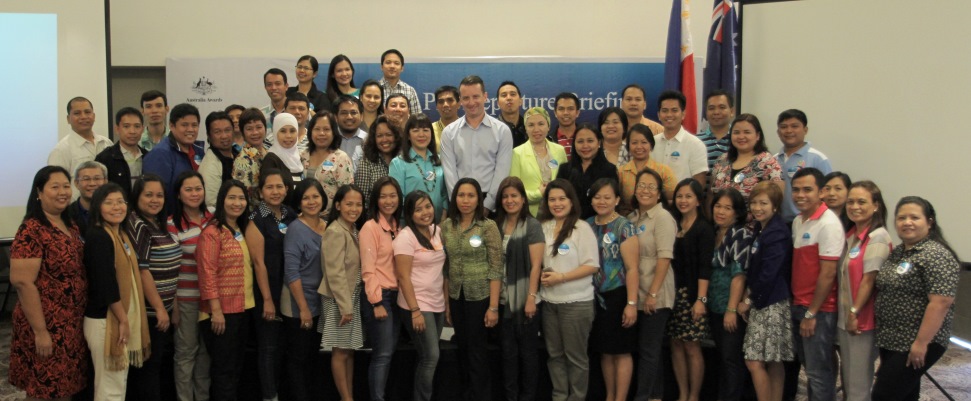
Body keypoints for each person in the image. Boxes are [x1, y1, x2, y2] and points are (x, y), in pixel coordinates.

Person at [9, 166, 89, 400]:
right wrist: (41, 332)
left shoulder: (69, 224)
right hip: (45, 325)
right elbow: (23, 283)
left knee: (64, 388)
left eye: (66, 186)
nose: (63, 192)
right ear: (39, 192)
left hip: (69, 324)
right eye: (54, 187)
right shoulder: (32, 229)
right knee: (44, 389)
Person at [872, 196, 960, 401]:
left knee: (884, 395)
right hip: (892, 338)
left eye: (914, 217)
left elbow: (941, 302)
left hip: (917, 341)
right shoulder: (900, 252)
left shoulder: (936, 254)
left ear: (929, 222)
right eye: (901, 217)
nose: (907, 222)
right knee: (906, 394)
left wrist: (921, 344)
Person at [82, 183, 150, 400]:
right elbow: (105, 283)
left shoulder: (120, 234)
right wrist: (122, 320)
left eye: (120, 202)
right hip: (106, 319)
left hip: (116, 316)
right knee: (110, 388)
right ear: (97, 206)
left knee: (117, 384)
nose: (116, 207)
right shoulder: (99, 236)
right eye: (109, 202)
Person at [537, 179, 600, 401]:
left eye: (562, 198)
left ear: (572, 202)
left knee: (576, 357)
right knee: (554, 356)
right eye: (552, 199)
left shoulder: (581, 228)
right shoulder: (543, 227)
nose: (557, 203)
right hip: (549, 303)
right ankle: (559, 396)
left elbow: (592, 265)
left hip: (577, 303)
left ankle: (577, 397)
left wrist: (561, 277)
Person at [441, 178, 503, 401]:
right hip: (457, 295)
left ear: (479, 200)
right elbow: (446, 267)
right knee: (463, 350)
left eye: (470, 195)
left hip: (481, 298)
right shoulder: (447, 226)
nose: (465, 200)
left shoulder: (488, 226)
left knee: (477, 353)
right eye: (461, 195)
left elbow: (496, 268)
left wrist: (493, 307)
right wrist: (448, 303)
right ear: (454, 197)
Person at [789, 167, 844, 401]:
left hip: (818, 309)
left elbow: (828, 273)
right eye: (796, 190)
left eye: (807, 190)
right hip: (800, 305)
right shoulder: (798, 221)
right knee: (810, 369)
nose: (801, 195)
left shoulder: (828, 223)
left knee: (818, 372)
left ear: (821, 192)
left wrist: (812, 312)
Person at [125, 175, 181, 401]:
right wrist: (159, 308)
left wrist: (172, 305)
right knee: (147, 371)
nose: (154, 200)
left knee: (155, 367)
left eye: (159, 195)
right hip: (149, 314)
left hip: (163, 309)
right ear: (136, 197)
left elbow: (169, 270)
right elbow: (142, 270)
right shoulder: (138, 225)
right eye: (148, 194)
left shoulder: (159, 222)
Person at [197, 180, 253, 401]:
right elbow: (206, 272)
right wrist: (216, 310)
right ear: (222, 200)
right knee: (224, 372)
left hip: (243, 308)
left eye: (241, 198)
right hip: (220, 313)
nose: (237, 203)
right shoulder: (212, 232)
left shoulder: (241, 228)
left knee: (236, 369)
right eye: (231, 197)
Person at [244, 169, 297, 401]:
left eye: (279, 187)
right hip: (267, 292)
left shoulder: (291, 214)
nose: (275, 191)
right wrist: (267, 299)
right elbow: (258, 263)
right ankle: (269, 396)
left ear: (286, 189)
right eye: (270, 187)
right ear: (260, 192)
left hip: (290, 291)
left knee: (285, 348)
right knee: (268, 348)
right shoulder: (256, 219)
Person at [740, 182, 794, 401]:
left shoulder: (777, 232)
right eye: (754, 202)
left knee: (754, 360)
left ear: (775, 206)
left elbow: (769, 273)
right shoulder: (762, 228)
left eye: (763, 203)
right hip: (765, 300)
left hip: (771, 302)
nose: (757, 207)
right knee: (772, 359)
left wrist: (749, 299)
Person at [586, 178, 639, 401]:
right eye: (597, 197)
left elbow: (632, 268)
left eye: (607, 197)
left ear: (617, 200)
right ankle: (609, 396)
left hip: (618, 295)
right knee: (605, 351)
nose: (602, 201)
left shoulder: (624, 226)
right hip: (594, 298)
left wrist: (631, 304)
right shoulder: (587, 224)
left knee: (621, 351)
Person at [836, 181, 889, 401]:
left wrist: (854, 312)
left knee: (858, 385)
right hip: (845, 318)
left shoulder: (878, 237)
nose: (854, 206)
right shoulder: (851, 235)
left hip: (861, 321)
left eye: (862, 202)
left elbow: (870, 280)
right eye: (850, 202)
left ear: (876, 205)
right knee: (849, 381)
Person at [627, 169, 676, 401]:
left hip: (656, 293)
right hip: (637, 291)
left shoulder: (663, 218)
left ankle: (644, 397)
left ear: (659, 195)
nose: (645, 191)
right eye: (641, 186)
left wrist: (653, 294)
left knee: (649, 350)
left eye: (651, 187)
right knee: (646, 351)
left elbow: (665, 258)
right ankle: (654, 396)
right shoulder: (632, 218)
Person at [394, 191, 448, 401]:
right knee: (431, 356)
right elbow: (403, 277)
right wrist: (415, 311)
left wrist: (446, 305)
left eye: (427, 206)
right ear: (409, 214)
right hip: (416, 305)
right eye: (418, 209)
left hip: (437, 303)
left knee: (427, 357)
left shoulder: (437, 231)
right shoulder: (405, 237)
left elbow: (443, 271)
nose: (425, 212)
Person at [495, 177, 545, 401]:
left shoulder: (533, 226)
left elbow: (536, 266)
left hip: (527, 301)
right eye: (505, 196)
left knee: (528, 355)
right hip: (503, 301)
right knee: (507, 355)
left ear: (524, 199)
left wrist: (531, 297)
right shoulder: (497, 224)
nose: (509, 200)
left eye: (514, 195)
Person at [165, 171, 212, 401]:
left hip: (212, 301)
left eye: (198, 188)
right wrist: (173, 304)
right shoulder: (172, 224)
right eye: (189, 189)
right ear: (179, 194)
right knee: (185, 354)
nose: (195, 194)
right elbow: (170, 267)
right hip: (186, 300)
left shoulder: (214, 218)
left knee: (205, 355)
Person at [667, 179, 715, 401]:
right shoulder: (673, 223)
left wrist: (701, 300)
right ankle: (682, 393)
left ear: (698, 200)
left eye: (688, 196)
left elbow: (705, 267)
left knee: (692, 346)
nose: (683, 200)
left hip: (693, 294)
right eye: (679, 196)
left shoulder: (704, 228)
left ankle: (694, 396)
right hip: (672, 293)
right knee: (676, 344)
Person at [318, 184, 366, 401]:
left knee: (349, 350)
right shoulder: (335, 231)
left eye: (358, 204)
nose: (354, 208)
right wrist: (345, 306)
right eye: (349, 204)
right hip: (340, 300)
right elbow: (334, 272)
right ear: (337, 205)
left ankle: (349, 396)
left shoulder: (353, 228)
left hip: (352, 297)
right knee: (339, 351)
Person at [281, 179, 327, 400]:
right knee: (298, 358)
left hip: (319, 302)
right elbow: (292, 273)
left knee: (311, 356)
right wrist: (304, 309)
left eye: (315, 196)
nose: (311, 202)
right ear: (298, 202)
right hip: (298, 303)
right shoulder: (295, 229)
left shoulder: (326, 226)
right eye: (306, 198)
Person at [441, 75, 514, 214]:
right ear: (460, 100)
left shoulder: (502, 131)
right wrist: (460, 202)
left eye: (476, 96)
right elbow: (449, 173)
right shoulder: (449, 132)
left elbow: (502, 172)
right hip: (460, 205)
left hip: (492, 205)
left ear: (485, 96)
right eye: (466, 98)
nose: (471, 102)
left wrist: (486, 206)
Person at [706, 188, 753, 401]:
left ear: (737, 212)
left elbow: (739, 275)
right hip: (714, 306)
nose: (721, 212)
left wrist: (732, 309)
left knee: (731, 359)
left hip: (729, 308)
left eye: (728, 208)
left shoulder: (740, 234)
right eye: (718, 206)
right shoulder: (715, 232)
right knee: (720, 358)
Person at [359, 177, 402, 401]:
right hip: (380, 297)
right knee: (382, 355)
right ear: (375, 200)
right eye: (383, 196)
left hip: (397, 297)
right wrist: (376, 302)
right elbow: (368, 270)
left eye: (392, 195)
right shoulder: (370, 227)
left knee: (389, 353)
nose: (388, 201)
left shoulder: (398, 225)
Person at [144, 103, 205, 212]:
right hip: (170, 220)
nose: (190, 129)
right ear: (172, 126)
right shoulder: (160, 154)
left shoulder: (199, 151)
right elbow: (156, 196)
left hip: (193, 217)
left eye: (194, 125)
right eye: (184, 125)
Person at [48, 96, 113, 200]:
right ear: (68, 119)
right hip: (76, 211)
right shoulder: (61, 150)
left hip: (106, 208)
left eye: (87, 112)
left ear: (94, 116)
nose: (83, 117)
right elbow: (55, 186)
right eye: (77, 113)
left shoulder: (107, 143)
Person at [775, 109, 832, 223]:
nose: (789, 130)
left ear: (805, 130)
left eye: (794, 126)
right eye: (784, 127)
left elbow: (828, 194)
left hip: (809, 221)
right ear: (778, 132)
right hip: (779, 223)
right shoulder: (773, 160)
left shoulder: (817, 158)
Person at [510, 107, 568, 216]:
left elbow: (566, 185)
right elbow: (514, 191)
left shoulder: (559, 150)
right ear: (525, 128)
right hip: (529, 214)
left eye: (541, 124)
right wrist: (538, 194)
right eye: (531, 125)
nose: (536, 129)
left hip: (557, 211)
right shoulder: (517, 153)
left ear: (548, 126)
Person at [709, 114, 783, 200]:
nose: (741, 137)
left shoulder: (768, 163)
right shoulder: (721, 160)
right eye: (736, 132)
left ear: (758, 135)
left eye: (747, 132)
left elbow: (777, 199)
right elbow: (711, 195)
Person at [389, 114, 448, 220]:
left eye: (426, 130)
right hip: (410, 225)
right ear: (408, 135)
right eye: (415, 130)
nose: (421, 135)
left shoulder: (440, 160)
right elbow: (397, 198)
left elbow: (444, 193)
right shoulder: (398, 163)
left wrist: (443, 218)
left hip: (438, 224)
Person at [555, 123, 617, 219]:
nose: (585, 145)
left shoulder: (609, 170)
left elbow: (612, 203)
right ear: (574, 144)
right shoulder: (564, 169)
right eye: (580, 141)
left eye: (590, 141)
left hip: (599, 224)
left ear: (599, 143)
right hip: (569, 223)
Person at [651, 90, 709, 185]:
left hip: (682, 199)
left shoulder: (696, 145)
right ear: (659, 115)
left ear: (683, 114)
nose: (669, 115)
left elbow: (699, 184)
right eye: (665, 111)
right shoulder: (652, 143)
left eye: (674, 110)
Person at [304, 111, 354, 216]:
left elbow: (347, 195)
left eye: (326, 129)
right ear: (311, 132)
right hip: (305, 217)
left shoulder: (341, 158)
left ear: (333, 132)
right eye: (317, 129)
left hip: (331, 219)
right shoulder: (303, 155)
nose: (321, 133)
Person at [617, 124, 677, 204]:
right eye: (634, 143)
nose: (639, 146)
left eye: (644, 142)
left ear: (651, 145)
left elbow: (673, 198)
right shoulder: (621, 172)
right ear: (628, 146)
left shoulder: (664, 171)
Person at [97, 107, 147, 196]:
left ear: (142, 129)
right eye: (126, 126)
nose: (132, 131)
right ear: (117, 129)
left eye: (137, 126)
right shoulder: (105, 158)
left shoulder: (148, 156)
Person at [354, 116, 399, 208]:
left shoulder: (403, 161)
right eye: (379, 136)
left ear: (396, 136)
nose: (384, 139)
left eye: (389, 134)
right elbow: (362, 202)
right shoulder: (366, 163)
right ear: (373, 139)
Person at [199, 111, 240, 208]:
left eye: (227, 130)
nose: (224, 136)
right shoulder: (210, 166)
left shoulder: (237, 154)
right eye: (217, 132)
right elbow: (211, 204)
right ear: (209, 135)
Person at [697, 90, 736, 190]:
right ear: (706, 112)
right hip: (700, 202)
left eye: (722, 107)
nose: (716, 112)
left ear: (732, 111)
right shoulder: (696, 141)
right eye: (711, 108)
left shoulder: (740, 140)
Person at [68, 160, 108, 236]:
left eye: (97, 178)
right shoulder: (67, 214)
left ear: (105, 181)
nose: (92, 184)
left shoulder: (115, 211)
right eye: (86, 179)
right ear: (76, 183)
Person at [267, 113, 306, 184]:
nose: (288, 136)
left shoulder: (298, 157)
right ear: (275, 133)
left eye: (292, 131)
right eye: (283, 131)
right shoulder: (271, 160)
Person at [379, 49, 421, 113]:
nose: (392, 66)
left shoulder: (410, 90)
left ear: (402, 68)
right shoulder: (375, 89)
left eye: (396, 63)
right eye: (388, 62)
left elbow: (417, 119)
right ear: (381, 67)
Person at [334, 95, 368, 171]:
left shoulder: (369, 140)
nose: (349, 117)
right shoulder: (328, 139)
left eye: (353, 112)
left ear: (362, 116)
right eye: (344, 113)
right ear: (335, 117)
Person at [548, 92, 581, 159]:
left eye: (570, 109)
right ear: (555, 113)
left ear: (577, 112)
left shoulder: (586, 137)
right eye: (561, 109)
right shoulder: (548, 140)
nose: (566, 113)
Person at [496, 81, 528, 147]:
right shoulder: (492, 130)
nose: (509, 98)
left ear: (520, 101)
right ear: (498, 103)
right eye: (504, 95)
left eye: (513, 94)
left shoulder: (529, 127)